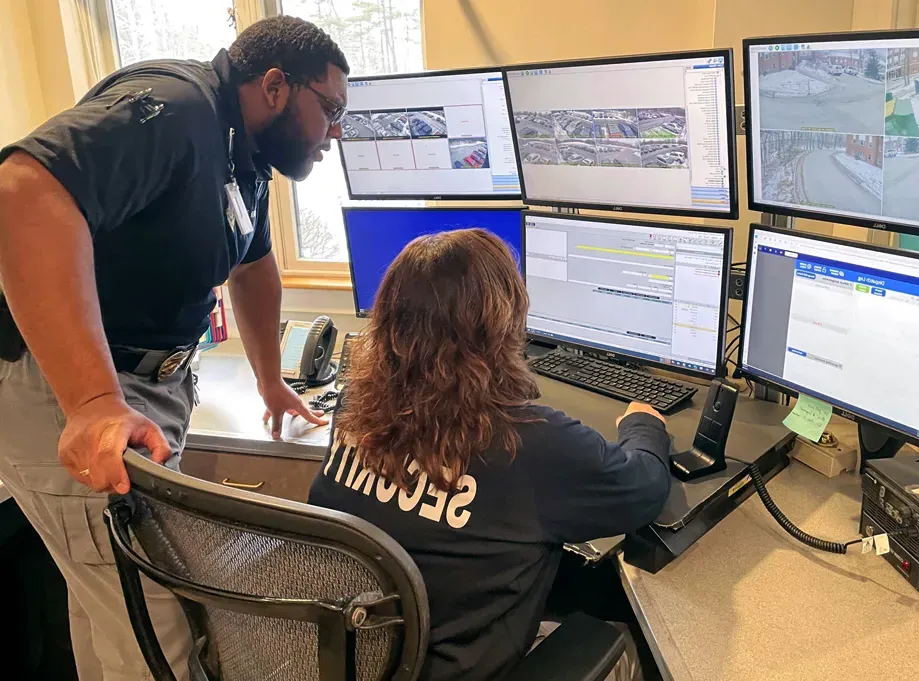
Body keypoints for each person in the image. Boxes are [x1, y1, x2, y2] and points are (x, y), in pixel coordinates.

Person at [0, 16, 347, 680]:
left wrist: (272, 381)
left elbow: (254, 267)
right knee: (159, 637)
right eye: (330, 109)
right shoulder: (176, 110)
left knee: (110, 606)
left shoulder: (241, 153)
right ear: (275, 85)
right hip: (75, 389)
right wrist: (96, 402)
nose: (336, 132)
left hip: (146, 390)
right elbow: (24, 188)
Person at [308, 229, 672, 681]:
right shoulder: (528, 441)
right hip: (453, 665)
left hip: (358, 658)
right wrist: (643, 422)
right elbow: (645, 488)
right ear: (503, 322)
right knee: (632, 644)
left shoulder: (354, 411)